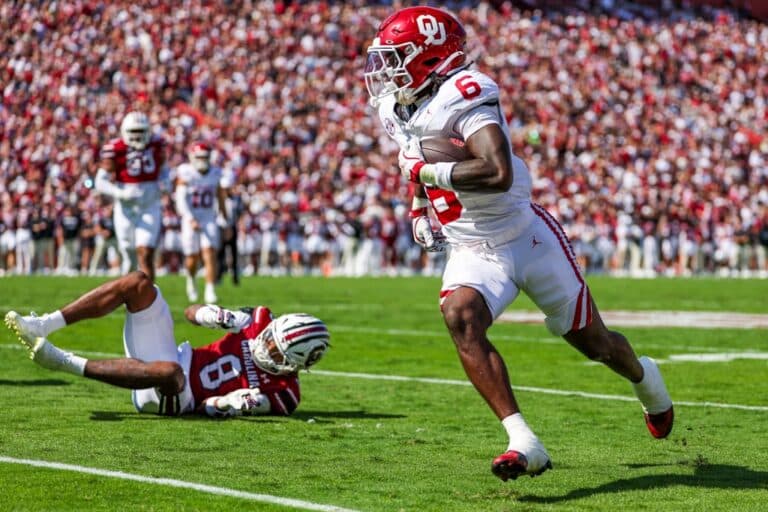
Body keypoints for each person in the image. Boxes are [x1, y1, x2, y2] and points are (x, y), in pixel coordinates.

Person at [364, 6, 673, 481]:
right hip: (471, 248)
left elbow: (496, 171)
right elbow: (413, 154)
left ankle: (646, 380)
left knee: (598, 346)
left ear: (430, 57)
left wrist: (425, 176)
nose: (387, 69)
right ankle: (523, 441)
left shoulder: (463, 94)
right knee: (460, 316)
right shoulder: (399, 104)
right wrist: (417, 205)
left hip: (525, 237)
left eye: (398, 56)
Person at [5, 271, 330, 418]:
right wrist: (212, 315)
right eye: (270, 335)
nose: (265, 344)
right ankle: (43, 323)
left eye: (275, 349)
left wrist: (227, 404)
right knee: (139, 284)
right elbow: (189, 313)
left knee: (171, 372)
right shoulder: (258, 321)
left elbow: (208, 407)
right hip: (175, 355)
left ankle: (60, 361)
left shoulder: (284, 394)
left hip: (178, 397)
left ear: (294, 364)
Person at [95, 111, 167, 281]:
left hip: (149, 204)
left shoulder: (157, 144)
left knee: (146, 252)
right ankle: (129, 282)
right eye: (133, 131)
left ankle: (149, 301)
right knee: (128, 251)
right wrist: (119, 192)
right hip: (125, 208)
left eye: (141, 131)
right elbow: (100, 181)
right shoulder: (115, 148)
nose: (137, 136)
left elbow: (164, 170)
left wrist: (165, 183)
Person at [174, 142, 229, 303]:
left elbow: (220, 196)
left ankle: (209, 289)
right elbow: (180, 198)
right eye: (199, 157)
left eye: (205, 157)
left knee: (209, 253)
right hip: (190, 217)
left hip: (208, 217)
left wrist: (225, 220)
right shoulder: (186, 172)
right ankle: (191, 279)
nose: (202, 160)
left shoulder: (215, 173)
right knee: (192, 258)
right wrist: (190, 218)